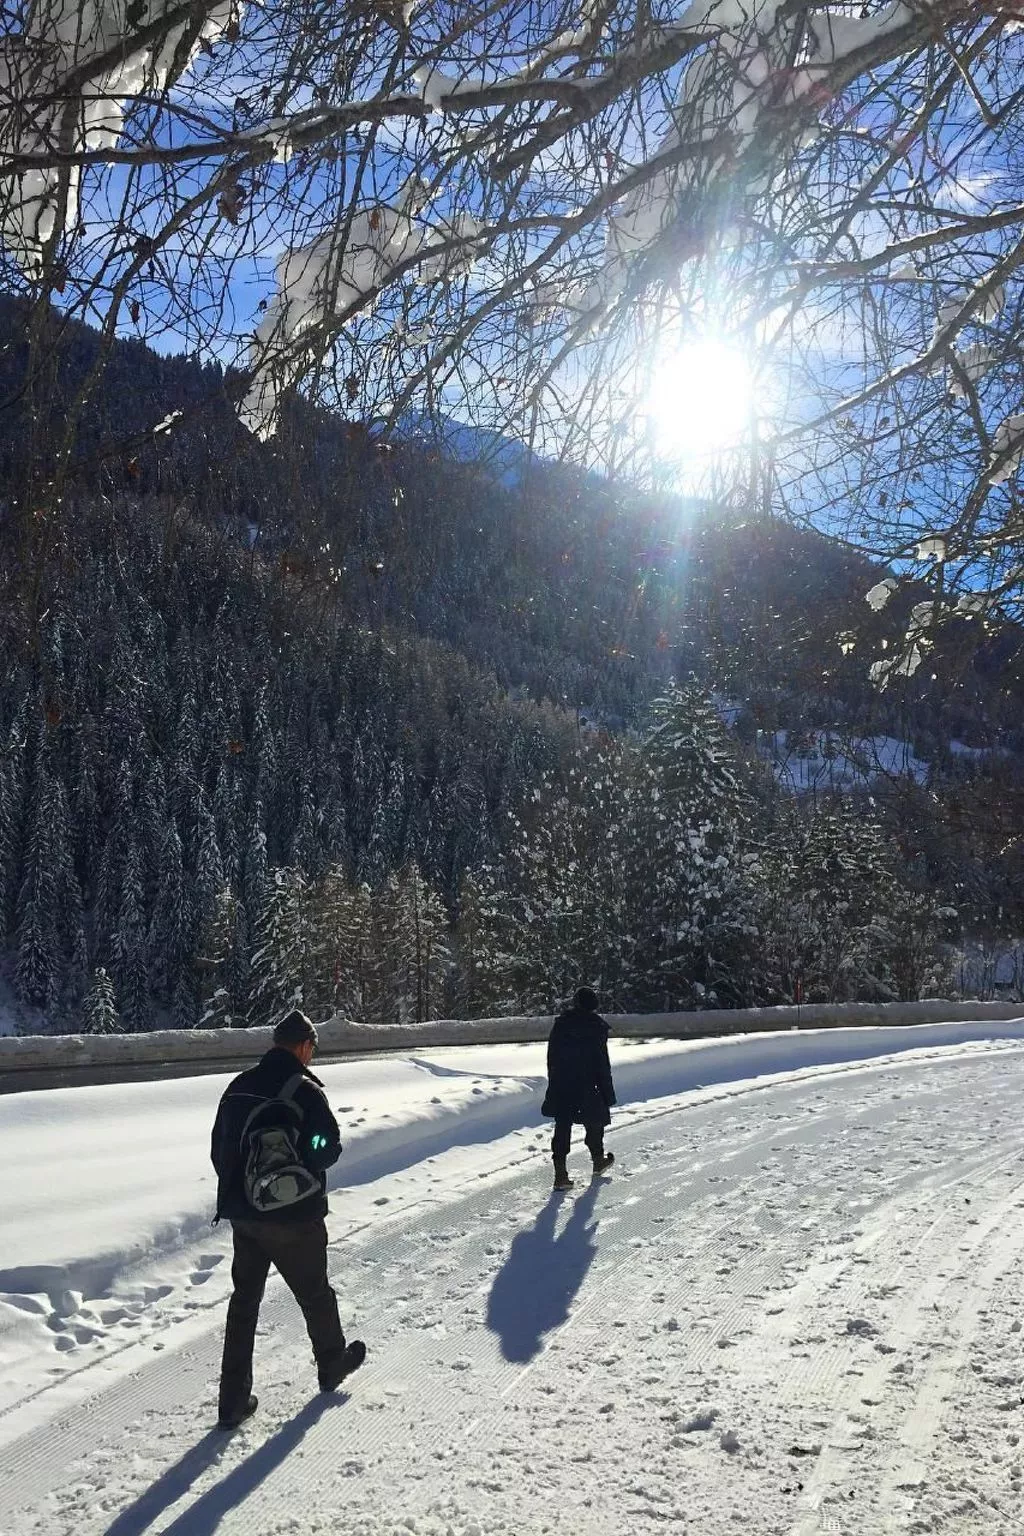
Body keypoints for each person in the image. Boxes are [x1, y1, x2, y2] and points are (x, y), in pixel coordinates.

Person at [210, 1008, 365, 1427]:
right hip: (295, 1218)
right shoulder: (305, 1091)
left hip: (246, 1217)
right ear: (303, 1046)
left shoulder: (238, 1088)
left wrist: (247, 1194)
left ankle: (232, 1401)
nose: (311, 1055)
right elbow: (326, 1149)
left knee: (244, 1305)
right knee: (315, 1293)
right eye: (312, 1047)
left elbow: (219, 1153)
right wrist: (302, 1163)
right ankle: (332, 1363)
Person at [541, 986, 616, 1191]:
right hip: (589, 1083)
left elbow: (552, 1058)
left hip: (564, 1081)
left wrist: (554, 1082)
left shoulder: (562, 1025)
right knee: (595, 1122)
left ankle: (560, 1174)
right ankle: (598, 1160)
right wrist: (608, 1093)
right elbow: (602, 1064)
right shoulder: (596, 1027)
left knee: (563, 1125)